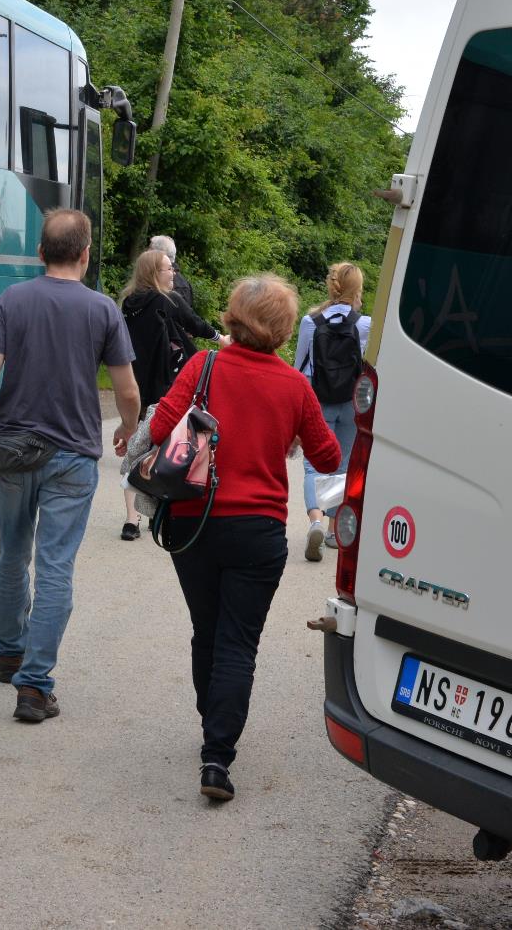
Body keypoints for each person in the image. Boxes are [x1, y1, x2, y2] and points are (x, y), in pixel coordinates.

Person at [149, 275, 341, 802]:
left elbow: (164, 423)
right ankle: (217, 757)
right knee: (239, 642)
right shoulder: (294, 386)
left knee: (206, 631)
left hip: (192, 520)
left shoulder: (203, 365)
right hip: (258, 532)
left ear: (233, 316)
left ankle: (210, 721)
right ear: (282, 331)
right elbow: (328, 458)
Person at [0, 209, 140, 724]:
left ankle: (8, 653)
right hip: (73, 456)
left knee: (11, 554)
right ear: (85, 254)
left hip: (14, 447)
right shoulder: (103, 309)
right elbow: (126, 389)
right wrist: (129, 429)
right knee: (56, 566)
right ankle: (35, 688)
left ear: (40, 254)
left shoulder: (13, 300)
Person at [118, 247, 219, 541]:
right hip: (164, 382)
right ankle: (156, 513)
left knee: (135, 447)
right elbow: (195, 323)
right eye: (167, 268)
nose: (173, 272)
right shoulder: (166, 300)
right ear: (154, 273)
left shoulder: (128, 303)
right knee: (161, 446)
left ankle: (130, 519)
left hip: (136, 382)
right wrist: (220, 337)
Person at [293, 263, 370, 561]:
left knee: (314, 463)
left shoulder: (310, 322)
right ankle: (334, 530)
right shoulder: (365, 324)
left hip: (317, 396)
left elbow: (300, 365)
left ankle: (314, 520)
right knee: (344, 463)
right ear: (357, 290)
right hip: (351, 399)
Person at [149, 233, 199, 317]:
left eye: (150, 251)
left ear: (159, 255)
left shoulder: (178, 286)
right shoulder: (182, 284)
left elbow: (181, 320)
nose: (146, 254)